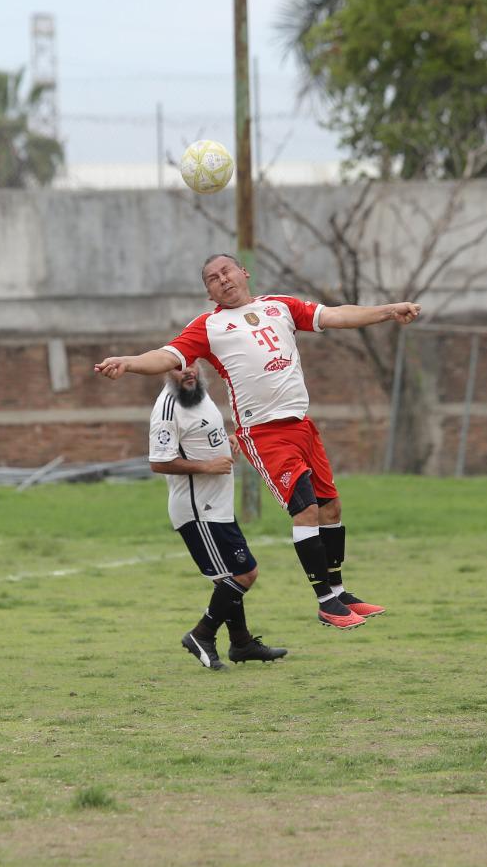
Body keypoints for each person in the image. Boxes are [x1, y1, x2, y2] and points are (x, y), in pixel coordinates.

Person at [97, 253, 422, 630]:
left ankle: (339, 590)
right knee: (306, 511)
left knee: (331, 508)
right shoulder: (210, 326)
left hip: (302, 425)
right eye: (213, 279)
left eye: (227, 271)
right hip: (264, 432)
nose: (223, 280)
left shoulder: (280, 306)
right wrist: (129, 361)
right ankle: (325, 603)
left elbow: (335, 315)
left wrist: (388, 311)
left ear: (243, 272)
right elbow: (166, 355)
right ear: (209, 293)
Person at [149, 361, 287, 670]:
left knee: (228, 578)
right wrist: (208, 467)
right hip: (198, 510)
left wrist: (225, 440)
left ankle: (241, 643)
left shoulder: (197, 393)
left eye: (192, 364)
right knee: (244, 574)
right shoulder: (167, 409)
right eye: (178, 367)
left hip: (217, 504)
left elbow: (199, 436)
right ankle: (202, 634)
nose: (188, 372)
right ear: (164, 372)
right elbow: (159, 462)